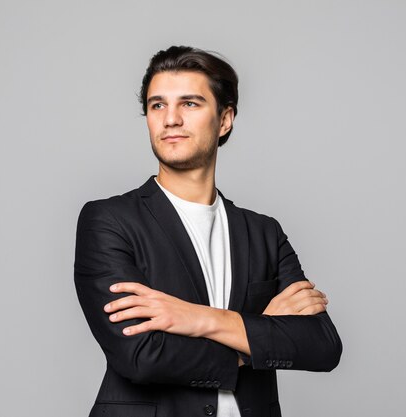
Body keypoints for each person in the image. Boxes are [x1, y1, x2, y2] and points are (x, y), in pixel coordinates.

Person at [74, 45, 342, 417]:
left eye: (189, 104)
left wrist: (199, 318)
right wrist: (259, 335)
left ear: (224, 120)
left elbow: (321, 345)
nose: (170, 119)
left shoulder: (264, 232)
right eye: (157, 105)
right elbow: (142, 357)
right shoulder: (109, 221)